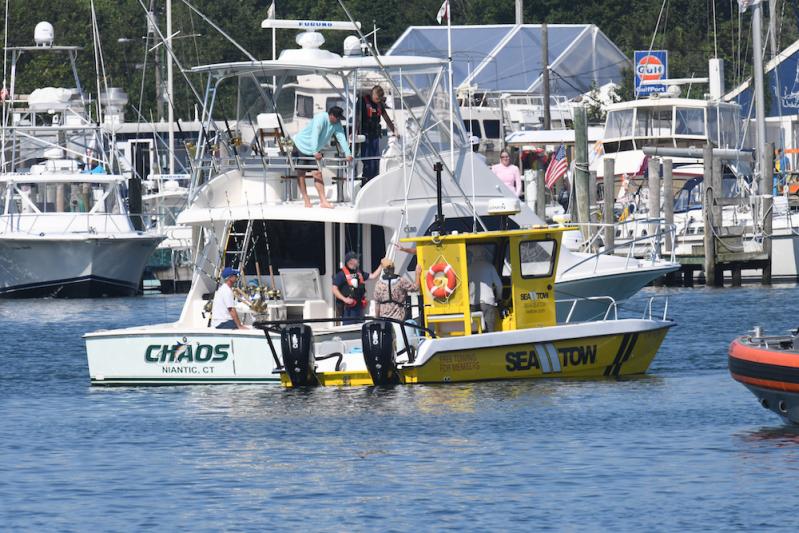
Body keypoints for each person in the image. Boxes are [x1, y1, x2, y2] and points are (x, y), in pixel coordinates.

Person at [292, 105, 353, 208]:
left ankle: (323, 201)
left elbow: (341, 137)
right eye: (337, 118)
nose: (338, 120)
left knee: (317, 174)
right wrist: (315, 151)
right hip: (301, 145)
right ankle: (306, 199)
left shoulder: (337, 124)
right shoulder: (321, 118)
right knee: (301, 173)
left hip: (313, 150)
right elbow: (314, 135)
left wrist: (348, 153)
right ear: (331, 116)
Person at [359, 85, 397, 183]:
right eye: (376, 98)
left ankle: (374, 182)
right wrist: (355, 132)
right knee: (368, 162)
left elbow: (386, 118)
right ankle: (365, 183)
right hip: (365, 136)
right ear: (372, 94)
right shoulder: (363, 102)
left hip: (375, 136)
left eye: (379, 99)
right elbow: (357, 118)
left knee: (376, 162)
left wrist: (394, 131)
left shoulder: (379, 104)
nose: (377, 100)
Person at [332, 252, 383, 323]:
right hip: (348, 309)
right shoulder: (341, 275)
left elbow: (373, 276)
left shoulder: (359, 273)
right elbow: (334, 289)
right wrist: (344, 299)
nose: (358, 260)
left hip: (359, 307)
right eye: (356, 259)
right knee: (348, 328)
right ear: (350, 261)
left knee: (360, 327)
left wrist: (381, 265)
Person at [467, 246, 503, 332]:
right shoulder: (490, 267)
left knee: (476, 330)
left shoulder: (469, 268)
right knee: (490, 329)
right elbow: (499, 285)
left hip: (473, 303)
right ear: (484, 255)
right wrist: (499, 297)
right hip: (488, 302)